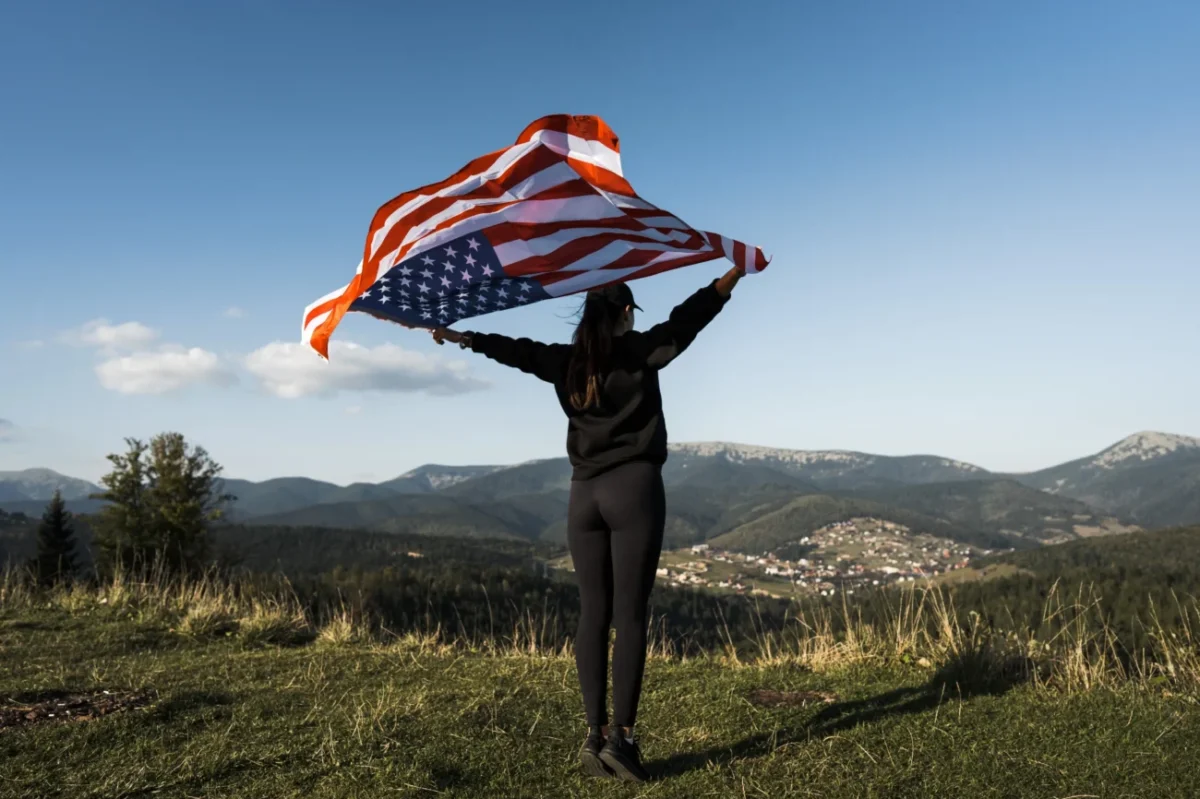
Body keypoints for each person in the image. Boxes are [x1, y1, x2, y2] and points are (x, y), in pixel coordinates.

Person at [416, 264, 745, 782]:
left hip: (583, 496)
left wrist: (465, 338)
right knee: (629, 615)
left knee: (593, 614)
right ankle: (623, 741)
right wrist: (734, 274)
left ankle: (594, 735)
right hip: (633, 489)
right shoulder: (640, 351)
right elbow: (689, 318)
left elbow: (517, 351)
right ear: (626, 313)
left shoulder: (565, 363)